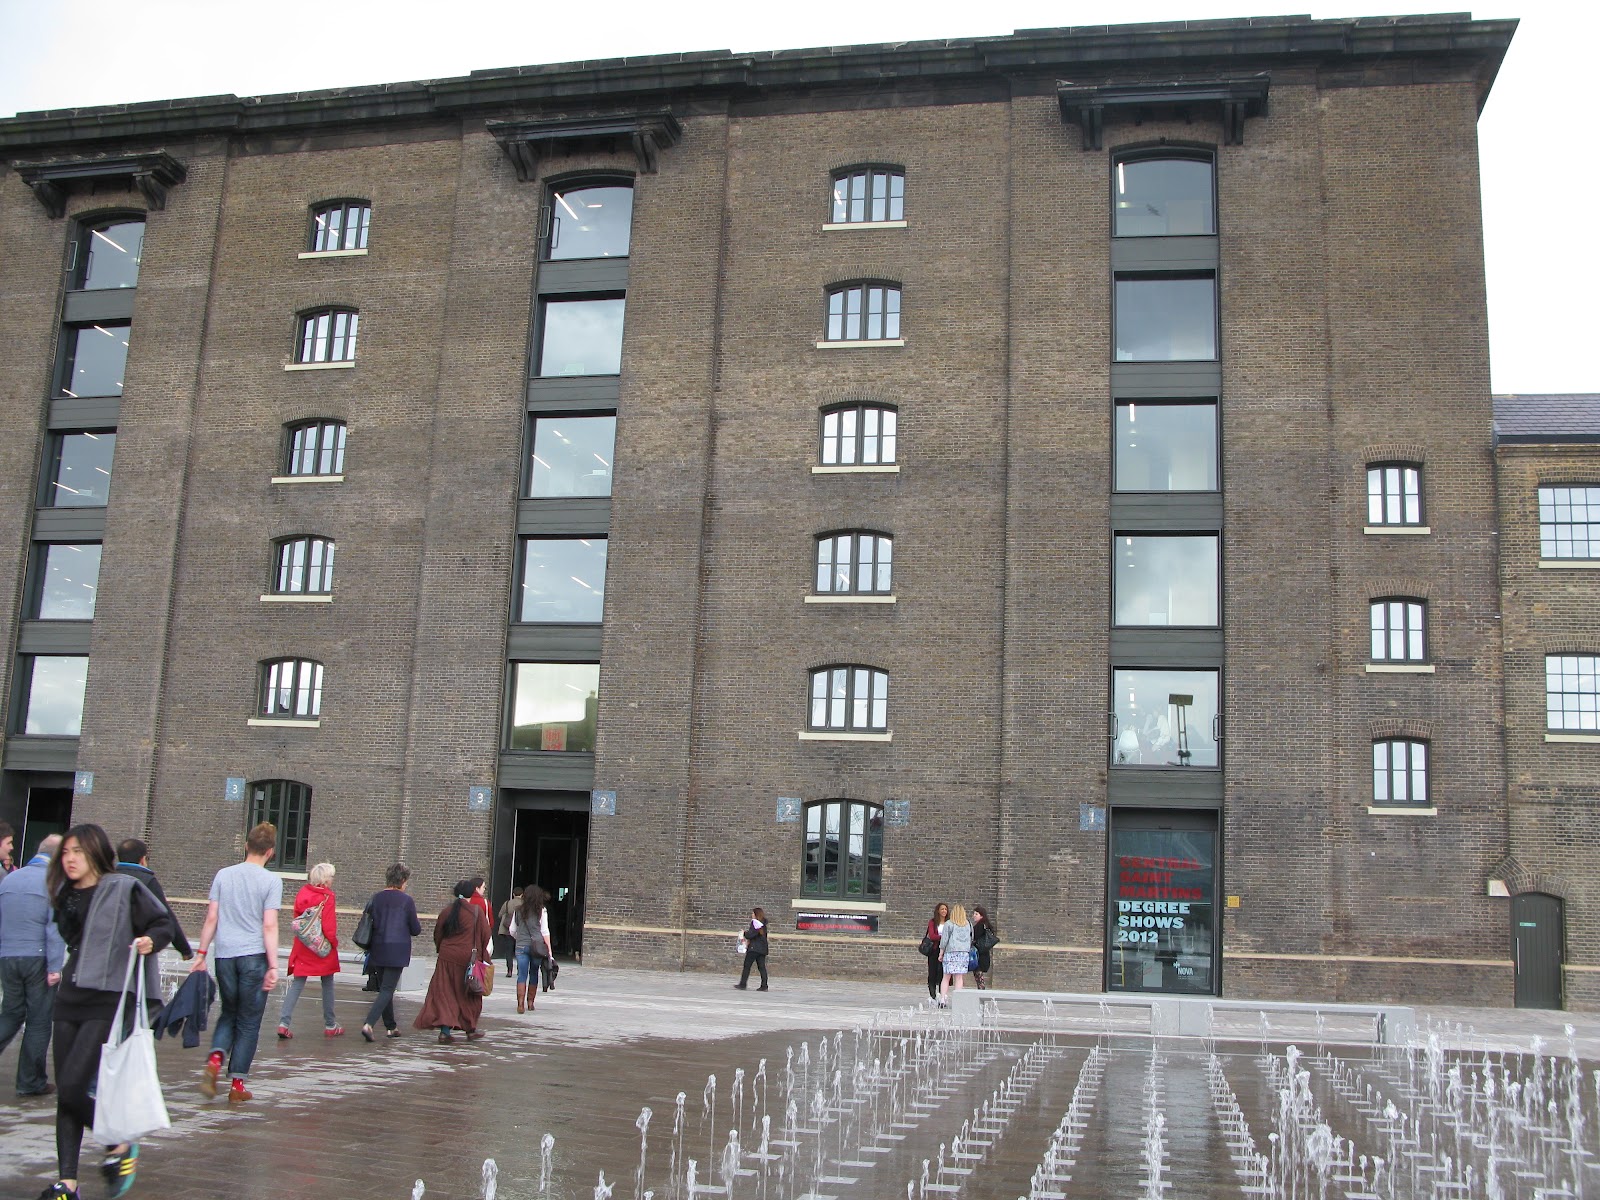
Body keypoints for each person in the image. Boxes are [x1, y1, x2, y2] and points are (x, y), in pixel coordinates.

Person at [41, 823, 175, 1200]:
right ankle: (67, 1183)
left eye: (77, 853)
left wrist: (152, 939)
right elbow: (73, 941)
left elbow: (163, 921)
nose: (69, 860)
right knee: (67, 1093)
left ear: (96, 853)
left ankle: (118, 1143)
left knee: (70, 1085)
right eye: (65, 853)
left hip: (107, 996)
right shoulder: (65, 895)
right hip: (71, 995)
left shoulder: (123, 887)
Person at [190, 822, 282, 1104]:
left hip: (225, 956)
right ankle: (237, 1084)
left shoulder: (223, 875)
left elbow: (211, 918)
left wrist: (201, 954)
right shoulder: (270, 881)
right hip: (253, 956)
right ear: (270, 852)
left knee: (228, 1012)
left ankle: (216, 1058)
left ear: (246, 846)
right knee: (249, 1021)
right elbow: (269, 925)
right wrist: (274, 965)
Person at [0, 834, 65, 1098]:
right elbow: (54, 928)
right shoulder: (54, 882)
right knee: (38, 1021)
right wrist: (55, 967)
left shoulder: (10, 878)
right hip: (38, 958)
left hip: (8, 957)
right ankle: (30, 1082)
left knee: (11, 1014)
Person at [414, 879, 490, 1042]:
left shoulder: (447, 911)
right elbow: (486, 936)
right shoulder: (476, 912)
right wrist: (484, 957)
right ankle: (470, 1029)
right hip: (468, 959)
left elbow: (438, 934)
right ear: (472, 893)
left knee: (445, 993)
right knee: (469, 993)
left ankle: (445, 1031)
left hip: (447, 957)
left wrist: (441, 950)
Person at [276, 861, 341, 1039]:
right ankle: (330, 1024)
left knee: (297, 983)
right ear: (326, 880)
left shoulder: (303, 893)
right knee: (327, 983)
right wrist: (334, 943)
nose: (332, 880)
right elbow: (328, 927)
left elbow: (298, 917)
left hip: (303, 945)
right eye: (331, 877)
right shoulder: (328, 896)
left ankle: (284, 1022)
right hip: (321, 946)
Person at [360, 863, 421, 1042]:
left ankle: (391, 1026)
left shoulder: (376, 898)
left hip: (377, 949)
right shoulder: (406, 901)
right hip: (397, 950)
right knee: (387, 989)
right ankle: (369, 1024)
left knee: (385, 988)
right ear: (402, 881)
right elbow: (415, 929)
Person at [114, 839, 192, 960]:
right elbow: (166, 915)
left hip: (110, 947)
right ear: (143, 859)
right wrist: (184, 949)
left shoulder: (107, 879)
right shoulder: (147, 881)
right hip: (139, 947)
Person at [509, 886, 551, 1014]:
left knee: (521, 974)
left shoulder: (518, 910)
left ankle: (520, 1004)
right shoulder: (541, 911)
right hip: (536, 947)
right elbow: (544, 931)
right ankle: (530, 1002)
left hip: (521, 945)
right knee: (534, 973)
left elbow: (512, 930)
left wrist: (520, 938)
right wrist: (549, 950)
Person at [938, 903, 973, 1007]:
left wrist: (941, 953)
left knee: (946, 977)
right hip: (963, 953)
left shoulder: (949, 924)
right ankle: (957, 1001)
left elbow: (944, 940)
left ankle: (943, 999)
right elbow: (970, 939)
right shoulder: (968, 924)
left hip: (951, 952)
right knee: (959, 977)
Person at [732, 906, 770, 991]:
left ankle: (743, 984)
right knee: (762, 967)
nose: (751, 915)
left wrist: (744, 933)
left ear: (756, 914)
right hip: (762, 949)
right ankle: (764, 985)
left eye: (753, 913)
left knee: (747, 966)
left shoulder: (755, 923)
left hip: (754, 948)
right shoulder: (763, 924)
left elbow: (751, 934)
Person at [923, 903, 949, 1001]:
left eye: (945, 909)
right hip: (934, 949)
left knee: (943, 972)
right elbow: (932, 936)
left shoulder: (949, 922)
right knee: (933, 971)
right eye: (942, 909)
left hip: (946, 950)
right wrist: (944, 937)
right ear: (938, 910)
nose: (944, 911)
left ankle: (942, 994)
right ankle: (933, 994)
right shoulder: (933, 922)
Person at [496, 886, 523, 977]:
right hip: (520, 931)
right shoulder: (524, 904)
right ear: (522, 894)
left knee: (509, 951)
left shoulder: (507, 903)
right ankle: (520, 970)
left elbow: (500, 914)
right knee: (520, 951)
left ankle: (509, 970)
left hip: (508, 930)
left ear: (513, 894)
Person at [970, 905, 998, 990]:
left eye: (976, 914)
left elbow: (975, 938)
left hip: (979, 954)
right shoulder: (986, 925)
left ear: (981, 915)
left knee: (979, 977)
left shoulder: (980, 925)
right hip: (984, 953)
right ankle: (981, 993)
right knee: (979, 976)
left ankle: (981, 993)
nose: (974, 915)